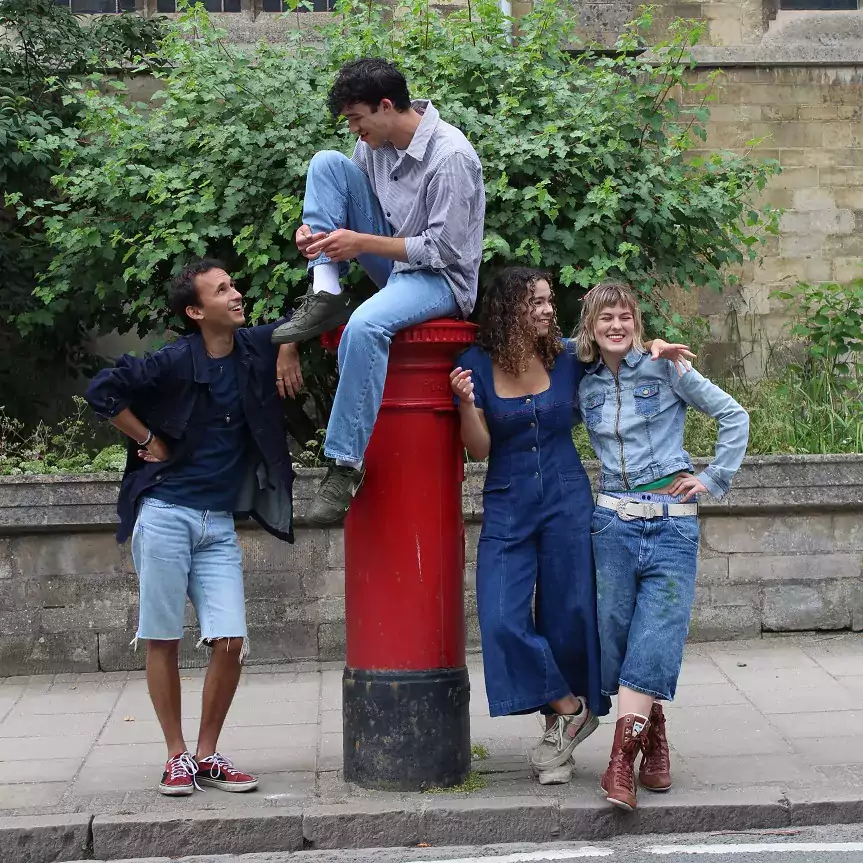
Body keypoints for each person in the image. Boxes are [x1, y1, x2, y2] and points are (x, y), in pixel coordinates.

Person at [449, 267, 691, 784]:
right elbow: (479, 448)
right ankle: (568, 707)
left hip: (567, 501)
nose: (545, 309)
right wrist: (467, 404)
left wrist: (657, 348)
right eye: (534, 302)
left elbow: (619, 349)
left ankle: (564, 738)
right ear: (509, 308)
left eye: (548, 301)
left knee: (570, 615)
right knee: (500, 617)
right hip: (508, 504)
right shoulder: (473, 366)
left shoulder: (566, 357)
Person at [85, 259, 302, 797]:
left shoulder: (252, 347)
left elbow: (310, 316)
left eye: (233, 285)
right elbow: (102, 390)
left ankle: (208, 754)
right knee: (162, 638)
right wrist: (144, 438)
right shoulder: (175, 360)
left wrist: (289, 347)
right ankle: (175, 756)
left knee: (230, 640)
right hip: (165, 515)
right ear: (195, 311)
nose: (235, 294)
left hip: (217, 522)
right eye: (222, 289)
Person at [271, 57, 485, 526]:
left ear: (385, 105)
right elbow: (343, 201)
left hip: (440, 280)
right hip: (393, 267)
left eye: (356, 118)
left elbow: (444, 250)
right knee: (326, 163)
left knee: (366, 325)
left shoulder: (451, 157)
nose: (354, 130)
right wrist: (315, 235)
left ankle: (345, 464)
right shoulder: (375, 145)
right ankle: (325, 291)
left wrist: (360, 243)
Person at [575, 280, 749, 811]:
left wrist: (712, 478)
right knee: (616, 641)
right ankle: (655, 733)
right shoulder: (579, 379)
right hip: (612, 527)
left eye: (626, 316)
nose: (617, 326)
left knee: (656, 638)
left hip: (672, 526)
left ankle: (619, 765)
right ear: (591, 326)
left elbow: (733, 415)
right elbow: (543, 351)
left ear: (637, 322)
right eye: (606, 318)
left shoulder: (665, 367)